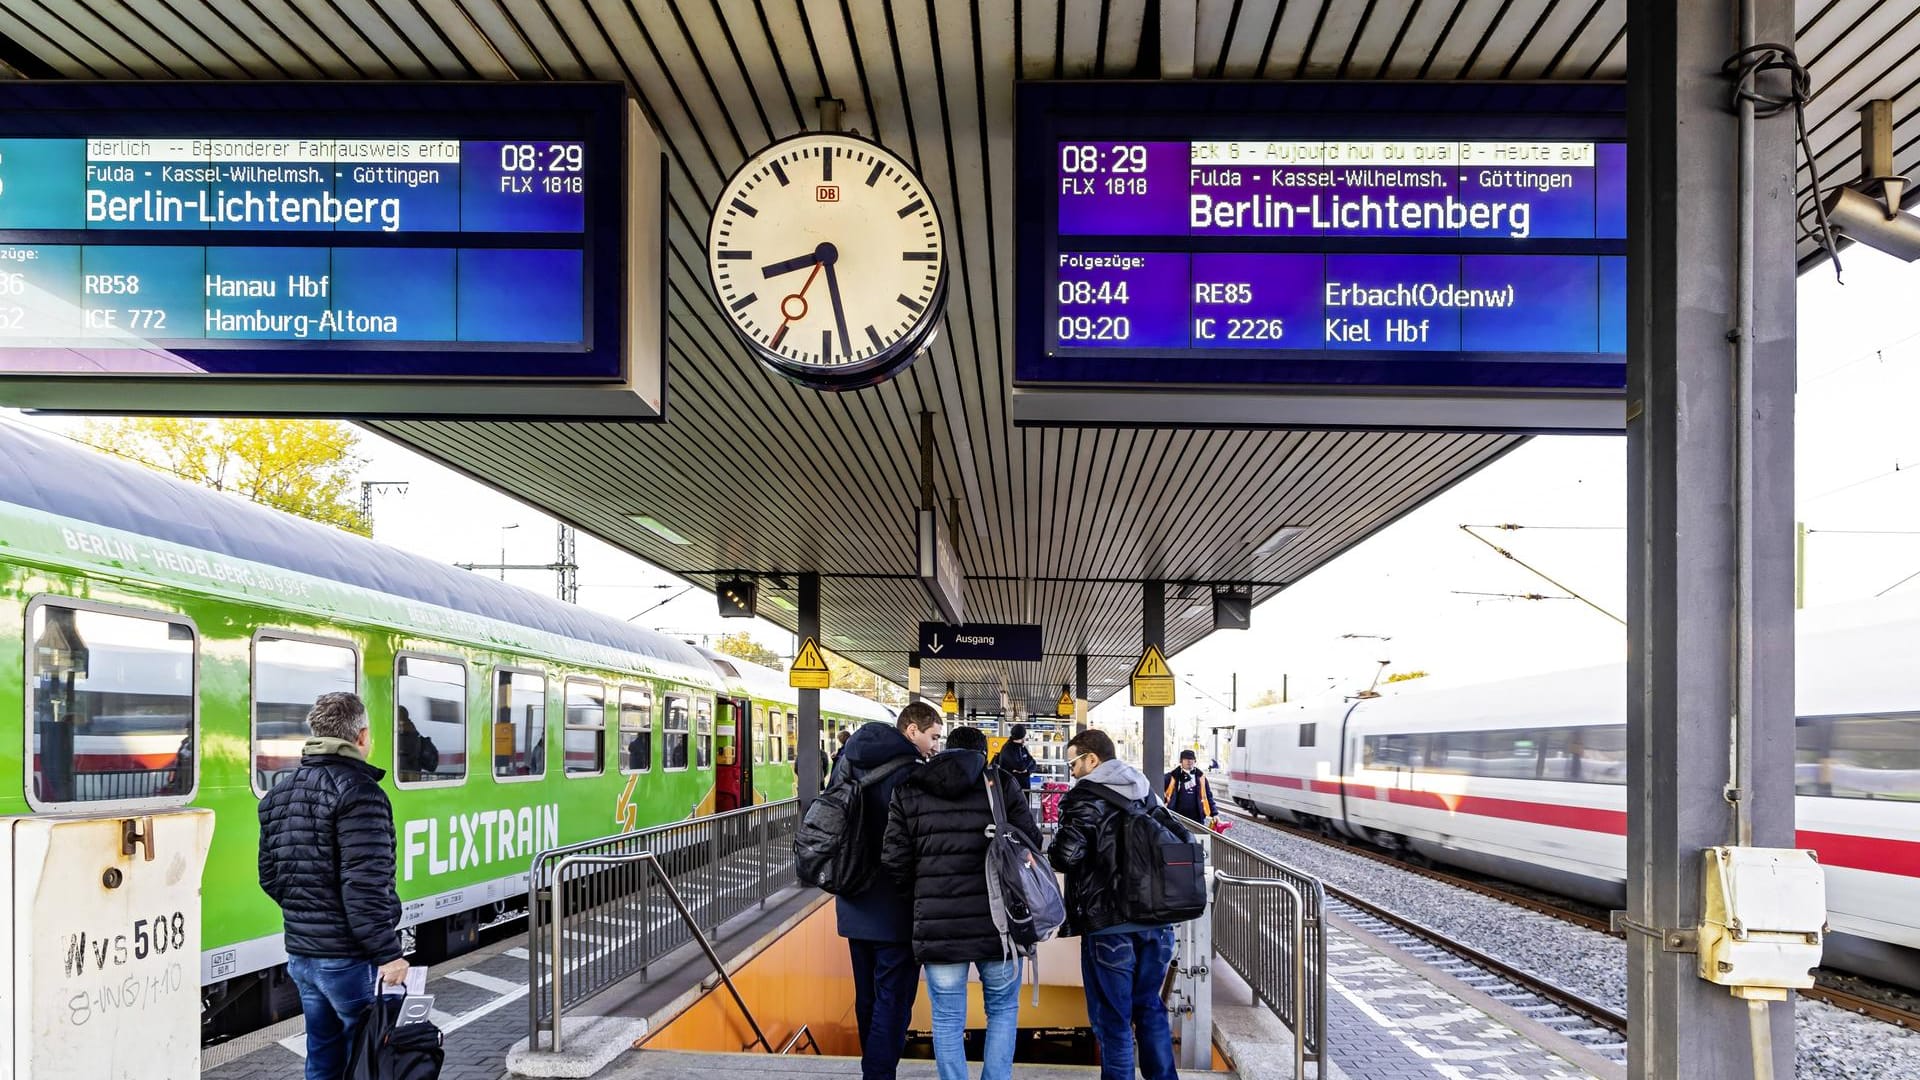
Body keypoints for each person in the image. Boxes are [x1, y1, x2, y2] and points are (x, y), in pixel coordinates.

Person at [257, 691, 409, 1080]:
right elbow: (366, 886)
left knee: (323, 1056)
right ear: (360, 737)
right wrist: (389, 954)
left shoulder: (279, 794)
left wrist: (309, 915)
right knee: (369, 1058)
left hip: (302, 955)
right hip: (346, 956)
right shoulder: (360, 793)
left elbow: (271, 877)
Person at [881, 725, 1041, 1080]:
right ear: (984, 754)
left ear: (944, 749)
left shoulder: (910, 787)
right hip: (999, 925)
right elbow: (1030, 843)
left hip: (939, 926)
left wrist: (923, 893)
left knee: (947, 1017)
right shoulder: (1000, 785)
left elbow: (894, 860)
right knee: (1001, 1010)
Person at [1050, 728, 1178, 1080]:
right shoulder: (1146, 791)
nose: (1071, 771)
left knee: (1114, 1020)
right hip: (1157, 922)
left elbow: (1066, 856)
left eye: (1073, 762)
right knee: (1150, 1008)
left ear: (1092, 759)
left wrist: (1050, 848)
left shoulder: (1085, 797)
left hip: (1110, 925)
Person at [836, 703, 944, 1080]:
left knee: (867, 997)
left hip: (851, 898)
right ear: (911, 730)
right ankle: (878, 1074)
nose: (934, 746)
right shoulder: (912, 774)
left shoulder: (847, 763)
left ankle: (874, 1068)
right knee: (893, 1000)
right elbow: (921, 841)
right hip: (895, 906)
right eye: (932, 737)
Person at [1162, 749, 1215, 825]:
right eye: (1186, 759)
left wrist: (1214, 814)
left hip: (1197, 818)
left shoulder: (1201, 777)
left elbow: (1208, 796)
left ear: (1195, 761)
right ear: (1181, 761)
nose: (1189, 761)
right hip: (1176, 817)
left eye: (1191, 759)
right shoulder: (1171, 776)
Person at [992, 723, 1035, 790]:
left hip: (1023, 787)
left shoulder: (1022, 747)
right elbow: (1020, 767)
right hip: (1011, 789)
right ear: (1022, 736)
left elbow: (1034, 764)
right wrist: (1029, 761)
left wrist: (1026, 771)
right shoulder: (1007, 749)